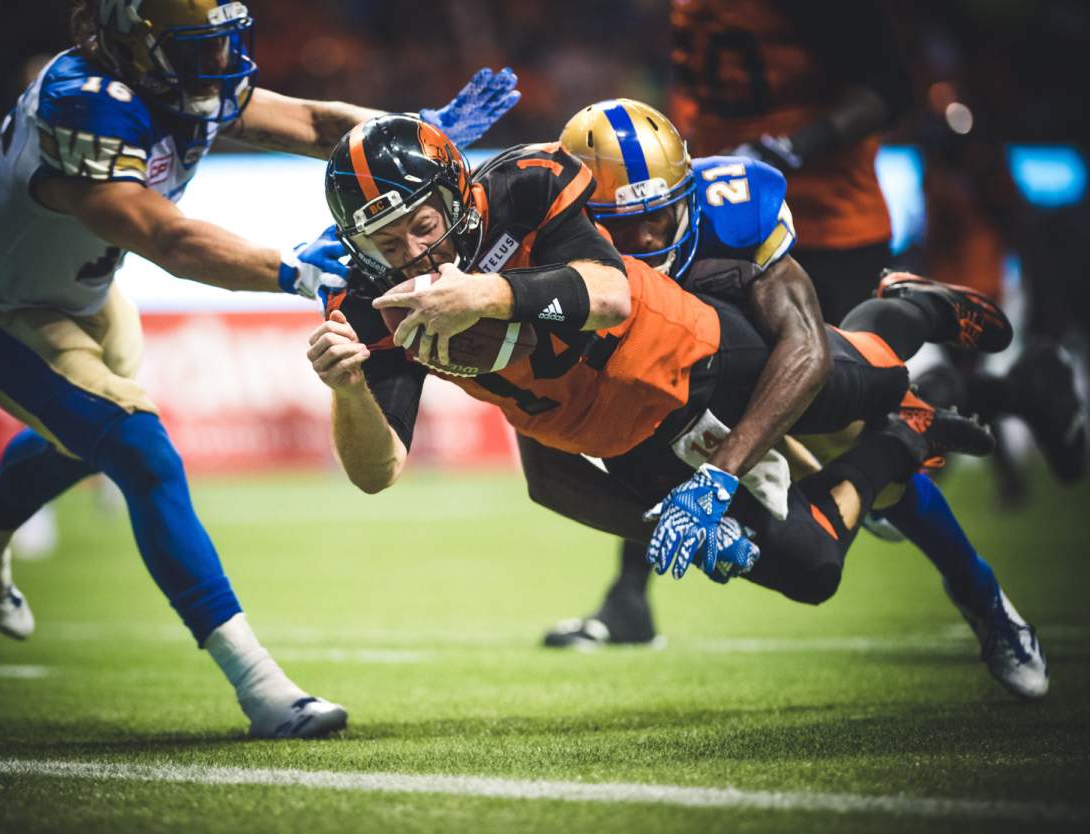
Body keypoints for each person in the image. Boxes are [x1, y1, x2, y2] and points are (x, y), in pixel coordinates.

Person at [0, 0, 518, 740]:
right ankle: (260, 687)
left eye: (224, 45)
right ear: (136, 47)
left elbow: (323, 129)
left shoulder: (175, 80)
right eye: (202, 48)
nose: (222, 65)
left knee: (92, 432)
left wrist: (412, 136)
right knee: (138, 448)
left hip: (85, 289)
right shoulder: (86, 106)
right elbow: (167, 237)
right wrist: (292, 273)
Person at [306, 112, 1046, 698]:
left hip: (692, 347)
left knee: (870, 376)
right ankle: (906, 441)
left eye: (423, 226)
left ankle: (908, 310)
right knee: (812, 569)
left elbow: (611, 291)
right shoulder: (373, 303)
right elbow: (381, 472)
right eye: (386, 240)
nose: (413, 253)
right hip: (621, 432)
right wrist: (348, 391)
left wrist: (485, 294)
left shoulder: (527, 187)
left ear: (456, 197)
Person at [529, 100, 1047, 699]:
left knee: (861, 404)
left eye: (660, 214)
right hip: (656, 404)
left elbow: (806, 349)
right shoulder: (544, 269)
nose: (645, 237)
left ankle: (984, 599)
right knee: (814, 562)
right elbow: (547, 473)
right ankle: (901, 443)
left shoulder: (732, 211)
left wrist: (716, 482)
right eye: (619, 225)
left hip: (744, 356)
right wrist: (679, 533)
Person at [547, 0, 916, 648]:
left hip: (819, 218)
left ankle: (957, 419)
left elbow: (891, 87)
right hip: (679, 204)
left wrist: (793, 146)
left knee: (862, 414)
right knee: (661, 386)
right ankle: (630, 595)